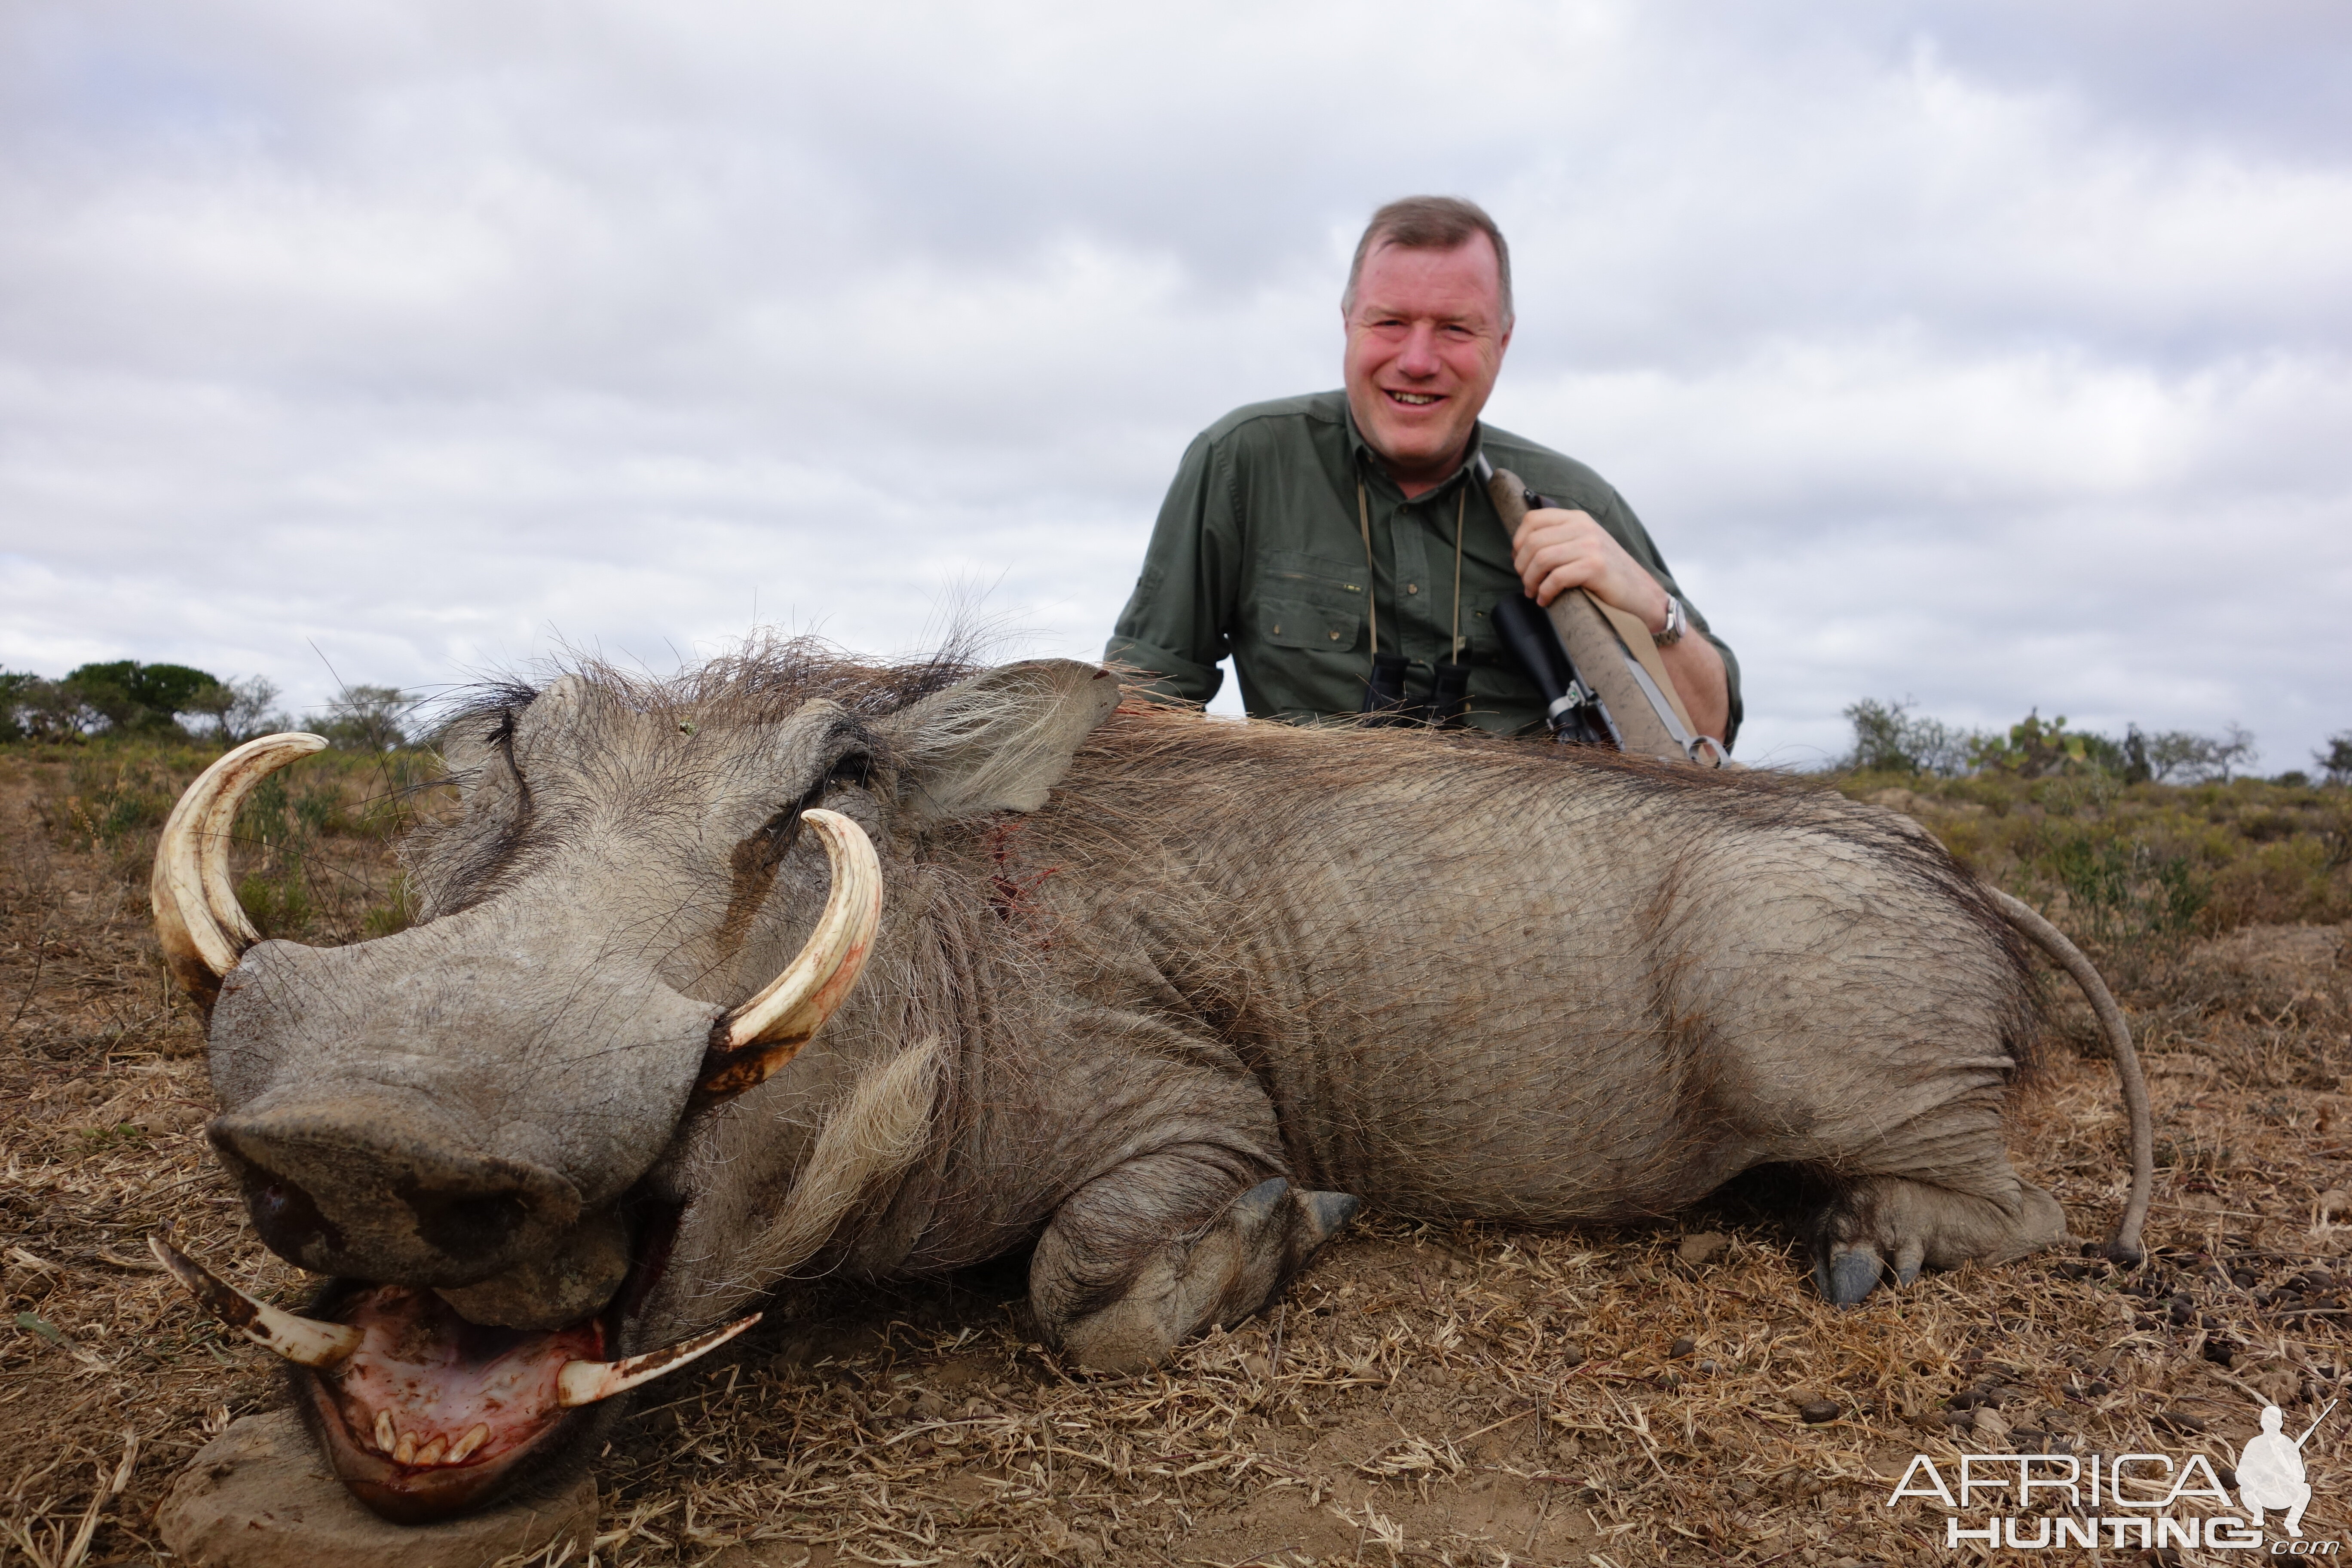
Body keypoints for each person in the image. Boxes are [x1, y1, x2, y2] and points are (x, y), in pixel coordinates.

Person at [1106, 195, 1739, 745]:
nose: (1416, 360)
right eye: (1390, 322)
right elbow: (1143, 709)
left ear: (1504, 342)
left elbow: (1708, 733)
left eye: (1456, 329)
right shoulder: (1240, 462)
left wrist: (1655, 610)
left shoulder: (1577, 502)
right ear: (1348, 324)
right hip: (1304, 871)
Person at [2236, 1403, 2315, 1536]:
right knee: (2249, 1490)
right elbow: (2242, 1471)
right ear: (2262, 1423)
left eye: (2275, 1421)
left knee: (2306, 1489)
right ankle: (2258, 1515)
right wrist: (2260, 1472)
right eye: (2268, 1421)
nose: (2272, 1425)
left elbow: (2300, 1474)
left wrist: (2290, 1475)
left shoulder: (2288, 1445)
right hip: (2258, 1491)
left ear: (2281, 1423)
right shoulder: (2255, 1443)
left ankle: (2292, 1523)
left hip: (2281, 1493)